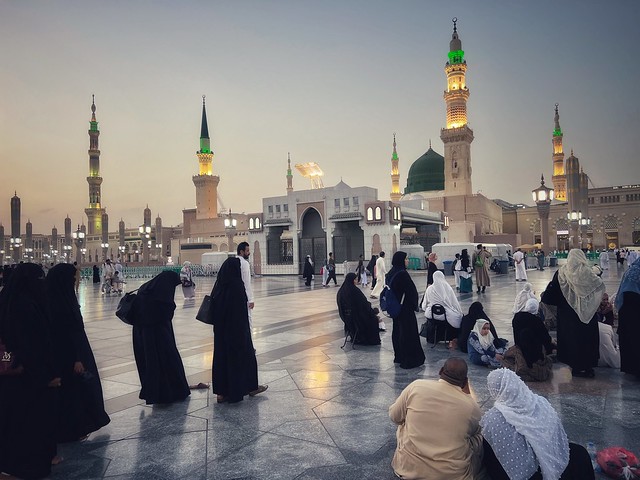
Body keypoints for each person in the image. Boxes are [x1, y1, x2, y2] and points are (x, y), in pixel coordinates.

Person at [0, 263, 62, 479]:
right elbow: (31, 348)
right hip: (29, 379)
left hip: (12, 378)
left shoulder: (8, 301)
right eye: (39, 279)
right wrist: (46, 378)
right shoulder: (26, 307)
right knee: (29, 427)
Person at [481, 368, 594, 480]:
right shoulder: (540, 402)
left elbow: (490, 458)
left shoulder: (492, 419)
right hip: (554, 462)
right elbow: (557, 438)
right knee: (580, 453)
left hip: (523, 473)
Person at [389, 358, 484, 480]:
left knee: (404, 421)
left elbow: (394, 416)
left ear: (440, 371)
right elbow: (476, 431)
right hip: (452, 475)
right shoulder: (471, 406)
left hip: (408, 470)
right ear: (465, 382)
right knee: (477, 435)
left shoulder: (416, 386)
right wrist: (468, 396)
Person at [46, 263, 110, 442]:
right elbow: (63, 333)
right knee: (72, 391)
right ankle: (73, 429)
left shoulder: (63, 296)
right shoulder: (57, 302)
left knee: (77, 390)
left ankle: (79, 425)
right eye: (74, 278)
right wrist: (76, 359)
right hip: (68, 355)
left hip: (74, 351)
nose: (77, 281)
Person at [209, 257, 268, 403]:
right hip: (237, 332)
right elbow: (240, 312)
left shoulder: (219, 286)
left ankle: (221, 393)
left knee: (222, 360)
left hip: (221, 334)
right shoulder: (237, 286)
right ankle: (248, 388)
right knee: (242, 359)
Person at [128, 271, 190, 404]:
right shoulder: (162, 294)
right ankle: (170, 392)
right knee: (167, 361)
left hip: (143, 335)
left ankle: (156, 392)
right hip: (159, 335)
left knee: (152, 364)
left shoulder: (147, 289)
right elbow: (166, 312)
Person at [541, 248, 605, 378]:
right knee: (587, 339)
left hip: (567, 315)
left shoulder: (561, 273)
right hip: (587, 314)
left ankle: (575, 367)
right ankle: (588, 367)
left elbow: (550, 295)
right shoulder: (588, 272)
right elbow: (599, 285)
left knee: (571, 340)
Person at [386, 251, 425, 369]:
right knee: (407, 333)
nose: (407, 261)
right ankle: (409, 359)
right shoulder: (402, 274)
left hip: (395, 308)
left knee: (397, 331)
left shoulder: (390, 273)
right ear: (401, 260)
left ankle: (398, 356)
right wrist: (414, 305)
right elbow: (411, 291)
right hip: (405, 308)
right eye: (406, 259)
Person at [506, 298, 555, 381]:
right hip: (535, 351)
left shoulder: (517, 317)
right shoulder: (537, 321)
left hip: (520, 348)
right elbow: (545, 339)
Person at [336, 272, 381, 345]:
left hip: (346, 317)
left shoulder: (341, 291)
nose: (357, 281)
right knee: (373, 319)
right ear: (352, 280)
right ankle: (370, 340)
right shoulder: (354, 290)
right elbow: (364, 304)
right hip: (356, 317)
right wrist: (372, 312)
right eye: (356, 279)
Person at [420, 271, 463, 346]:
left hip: (431, 314)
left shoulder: (429, 288)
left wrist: (425, 308)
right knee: (458, 317)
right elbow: (454, 302)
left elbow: (424, 304)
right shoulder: (447, 288)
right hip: (445, 315)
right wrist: (459, 311)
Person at [615, 257, 640, 378]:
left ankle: (631, 367)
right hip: (632, 312)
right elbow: (630, 294)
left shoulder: (631, 271)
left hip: (628, 312)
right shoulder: (634, 272)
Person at [236, 242, 255, 330]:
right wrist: (250, 299)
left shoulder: (233, 262)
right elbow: (246, 283)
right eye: (247, 251)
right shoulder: (244, 263)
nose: (249, 253)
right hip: (244, 297)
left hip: (234, 297)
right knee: (248, 319)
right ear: (241, 251)